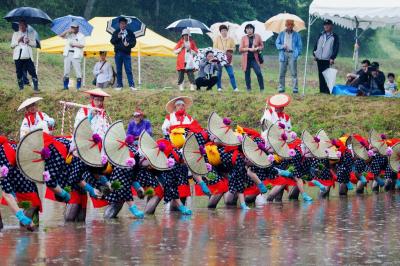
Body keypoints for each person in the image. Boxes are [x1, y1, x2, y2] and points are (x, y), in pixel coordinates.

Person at [11, 20, 39, 92]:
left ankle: (36, 88)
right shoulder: (15, 33)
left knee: (32, 71)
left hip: (28, 55)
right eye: (20, 25)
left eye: (23, 25)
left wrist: (29, 41)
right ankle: (21, 88)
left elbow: (35, 44)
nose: (21, 27)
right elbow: (12, 45)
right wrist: (18, 41)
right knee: (19, 71)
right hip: (18, 55)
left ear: (26, 26)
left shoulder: (31, 33)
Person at [110, 17, 137, 91]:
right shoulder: (116, 32)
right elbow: (112, 41)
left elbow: (134, 42)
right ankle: (119, 85)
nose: (123, 25)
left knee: (128, 69)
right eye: (122, 24)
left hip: (127, 54)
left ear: (126, 24)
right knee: (119, 70)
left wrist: (128, 44)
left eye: (124, 24)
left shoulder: (130, 32)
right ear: (119, 24)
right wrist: (118, 37)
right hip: (118, 53)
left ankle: (131, 85)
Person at [275, 20, 302, 93]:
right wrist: (282, 46)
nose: (290, 26)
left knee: (294, 72)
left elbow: (300, 46)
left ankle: (295, 88)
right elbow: (277, 44)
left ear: (293, 26)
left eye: (291, 25)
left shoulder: (297, 34)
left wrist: (297, 53)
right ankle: (281, 88)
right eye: (288, 25)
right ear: (286, 25)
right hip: (283, 54)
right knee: (281, 72)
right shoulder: (281, 34)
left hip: (292, 54)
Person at [313, 19, 340, 94]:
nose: (326, 26)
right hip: (319, 58)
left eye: (328, 24)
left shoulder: (334, 36)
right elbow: (316, 44)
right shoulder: (321, 34)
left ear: (331, 26)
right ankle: (322, 90)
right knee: (320, 74)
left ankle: (327, 90)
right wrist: (314, 53)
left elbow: (336, 47)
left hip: (327, 58)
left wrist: (332, 57)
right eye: (325, 25)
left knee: (326, 75)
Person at [59, 22, 85, 90]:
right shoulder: (69, 34)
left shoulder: (81, 35)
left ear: (78, 28)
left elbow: (82, 45)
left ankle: (78, 87)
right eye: (72, 27)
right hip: (68, 53)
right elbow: (61, 36)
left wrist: (74, 45)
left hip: (76, 54)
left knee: (78, 71)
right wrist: (68, 31)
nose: (73, 28)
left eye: (74, 27)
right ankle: (65, 87)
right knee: (66, 70)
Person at [212, 24, 238, 92]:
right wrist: (220, 52)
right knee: (219, 74)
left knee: (231, 74)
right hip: (219, 59)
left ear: (227, 31)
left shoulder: (231, 39)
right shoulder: (217, 39)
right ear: (220, 31)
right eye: (222, 30)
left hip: (228, 59)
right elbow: (214, 49)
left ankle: (235, 88)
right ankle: (219, 87)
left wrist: (228, 49)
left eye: (225, 30)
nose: (224, 32)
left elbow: (234, 48)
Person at [239, 23, 264, 92]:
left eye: (250, 28)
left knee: (258, 72)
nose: (249, 30)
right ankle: (248, 89)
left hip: (254, 58)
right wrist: (248, 49)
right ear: (245, 30)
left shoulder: (257, 36)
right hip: (246, 59)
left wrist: (257, 48)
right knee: (247, 74)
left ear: (253, 29)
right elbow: (240, 49)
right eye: (247, 29)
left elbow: (262, 46)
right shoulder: (243, 38)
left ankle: (262, 88)